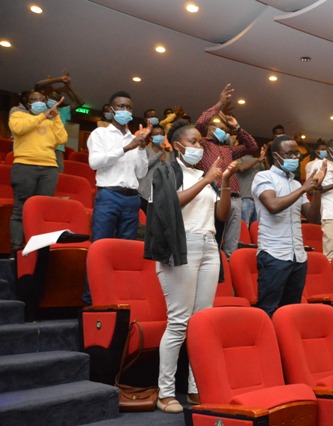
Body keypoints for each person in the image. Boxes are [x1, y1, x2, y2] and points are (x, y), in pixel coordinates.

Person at [153, 120, 235, 414]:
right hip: (181, 246)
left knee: (201, 323)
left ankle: (194, 387)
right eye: (193, 142)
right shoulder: (166, 171)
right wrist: (207, 178)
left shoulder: (205, 176)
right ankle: (165, 392)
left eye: (201, 142)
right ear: (177, 146)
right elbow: (170, 204)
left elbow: (221, 215)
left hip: (209, 246)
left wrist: (224, 182)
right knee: (179, 322)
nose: (199, 146)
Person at [252, 135, 326, 316]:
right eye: (289, 154)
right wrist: (303, 188)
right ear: (276, 155)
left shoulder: (295, 183)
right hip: (274, 254)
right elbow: (273, 206)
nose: (294, 158)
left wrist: (317, 190)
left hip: (298, 256)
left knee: (291, 312)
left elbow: (313, 218)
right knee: (268, 310)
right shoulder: (263, 177)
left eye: (296, 154)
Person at [86, 91, 149, 303]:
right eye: (121, 106)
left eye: (129, 107)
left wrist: (141, 148)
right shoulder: (100, 134)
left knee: (125, 251)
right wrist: (126, 148)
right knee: (100, 247)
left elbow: (141, 173)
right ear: (111, 109)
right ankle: (91, 301)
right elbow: (95, 163)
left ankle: (119, 299)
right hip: (109, 195)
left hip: (131, 199)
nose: (125, 110)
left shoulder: (135, 138)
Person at [194, 84, 259, 257]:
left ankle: (229, 267)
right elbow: (200, 123)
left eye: (226, 130)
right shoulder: (202, 144)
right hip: (214, 196)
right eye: (220, 129)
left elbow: (252, 147)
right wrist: (219, 104)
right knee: (212, 241)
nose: (224, 132)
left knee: (231, 244)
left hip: (236, 198)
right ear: (210, 129)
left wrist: (238, 128)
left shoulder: (229, 149)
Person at [8, 91, 67, 253]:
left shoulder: (50, 121)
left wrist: (56, 117)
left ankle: (37, 250)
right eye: (34, 99)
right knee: (20, 210)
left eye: (41, 99)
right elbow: (19, 129)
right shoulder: (18, 115)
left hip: (49, 169)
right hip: (25, 166)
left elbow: (62, 139)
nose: (38, 102)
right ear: (28, 103)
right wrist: (43, 116)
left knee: (42, 210)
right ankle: (16, 250)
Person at [138, 125, 173, 213]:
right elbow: (145, 166)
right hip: (145, 194)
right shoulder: (145, 150)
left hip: (162, 194)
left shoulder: (169, 154)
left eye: (161, 134)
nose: (159, 136)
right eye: (156, 134)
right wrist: (160, 152)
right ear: (151, 138)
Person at [235, 144, 268, 225]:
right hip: (245, 197)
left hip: (257, 200)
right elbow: (241, 168)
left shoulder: (258, 161)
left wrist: (264, 159)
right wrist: (258, 159)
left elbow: (268, 173)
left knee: (254, 228)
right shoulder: (238, 159)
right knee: (244, 226)